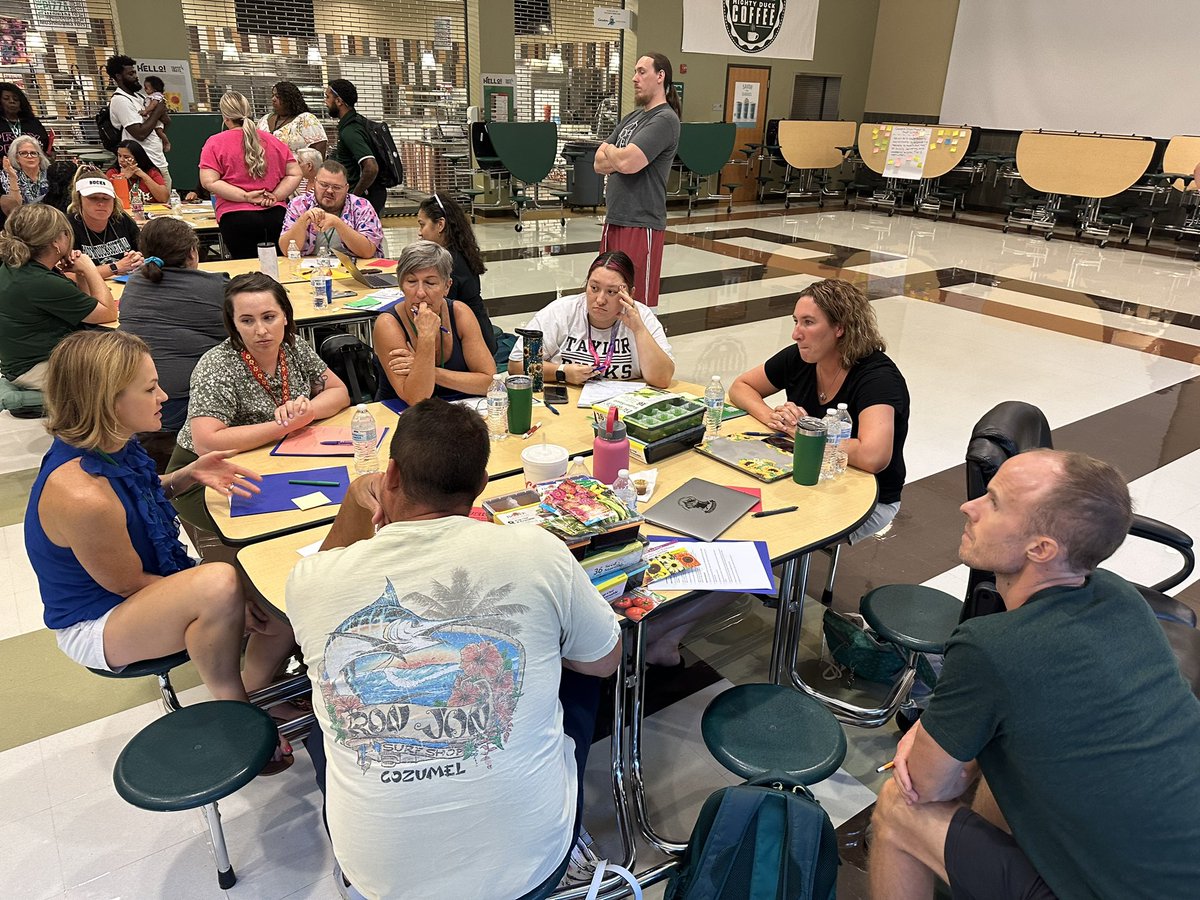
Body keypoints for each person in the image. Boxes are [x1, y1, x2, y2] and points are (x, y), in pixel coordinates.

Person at [286, 397, 621, 899]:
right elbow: (605, 660)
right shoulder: (537, 549)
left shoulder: (310, 579)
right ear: (481, 488)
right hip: (533, 868)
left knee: (323, 719)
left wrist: (357, 499)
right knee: (575, 667)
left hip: (381, 880)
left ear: (391, 473)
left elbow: (330, 580)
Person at [868, 449, 1200, 900]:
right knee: (1007, 758)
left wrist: (931, 737)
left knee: (896, 807)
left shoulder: (992, 646)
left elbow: (926, 785)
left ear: (1040, 549)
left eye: (994, 502)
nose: (969, 506)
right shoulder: (1120, 596)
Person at [26, 330, 297, 774]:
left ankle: (256, 690)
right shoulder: (81, 496)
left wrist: (188, 473)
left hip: (139, 593)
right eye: (150, 388)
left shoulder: (109, 445)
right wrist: (233, 605)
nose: (164, 395)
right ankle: (236, 712)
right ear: (108, 400)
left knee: (273, 586)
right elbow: (127, 584)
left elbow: (138, 499)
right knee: (220, 583)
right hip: (98, 620)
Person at [730, 278, 909, 543]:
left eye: (808, 322)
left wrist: (803, 433)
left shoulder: (877, 378)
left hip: (868, 499)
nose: (796, 333)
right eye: (796, 321)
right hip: (811, 474)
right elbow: (740, 387)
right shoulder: (803, 356)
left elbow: (874, 456)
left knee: (771, 532)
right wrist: (774, 418)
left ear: (840, 327)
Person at [167, 272, 350, 529]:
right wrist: (285, 426)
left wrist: (307, 411)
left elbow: (338, 391)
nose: (261, 330)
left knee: (335, 504)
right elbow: (206, 443)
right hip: (206, 477)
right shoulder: (217, 364)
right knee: (293, 522)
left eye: (269, 317)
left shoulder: (293, 345)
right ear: (233, 324)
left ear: (285, 316)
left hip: (272, 457)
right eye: (247, 320)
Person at [117, 216, 229, 432]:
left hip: (132, 404)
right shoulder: (216, 288)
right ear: (192, 253)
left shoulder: (134, 284)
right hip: (187, 404)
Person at [508, 250, 675, 388]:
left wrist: (639, 330)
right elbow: (516, 365)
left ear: (629, 294)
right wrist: (562, 372)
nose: (600, 299)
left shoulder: (642, 317)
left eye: (611, 292)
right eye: (594, 288)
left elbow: (662, 379)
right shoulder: (561, 312)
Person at [593, 53, 681, 309]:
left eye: (642, 72)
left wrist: (611, 151)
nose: (634, 78)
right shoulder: (633, 118)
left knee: (635, 303)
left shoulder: (664, 120)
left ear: (660, 76)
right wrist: (616, 155)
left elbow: (627, 163)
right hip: (615, 219)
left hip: (641, 224)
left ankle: (638, 349)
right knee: (606, 295)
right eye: (635, 72)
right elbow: (598, 163)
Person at [0, 204, 116, 389]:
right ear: (56, 242)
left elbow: (86, 313)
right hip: (35, 368)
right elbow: (108, 313)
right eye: (65, 233)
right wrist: (89, 268)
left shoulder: (19, 266)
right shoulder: (40, 281)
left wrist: (81, 274)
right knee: (123, 368)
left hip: (22, 361)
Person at [372, 240, 495, 405]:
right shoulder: (388, 324)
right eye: (411, 282)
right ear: (401, 285)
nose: (420, 293)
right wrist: (426, 336)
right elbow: (416, 397)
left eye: (430, 283)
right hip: (401, 414)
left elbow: (490, 384)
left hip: (459, 410)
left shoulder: (460, 313)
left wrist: (430, 371)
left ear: (447, 286)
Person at [198, 91, 300, 259]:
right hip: (276, 215)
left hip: (236, 217)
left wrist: (246, 196)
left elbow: (209, 181)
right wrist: (275, 195)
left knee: (247, 272)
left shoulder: (215, 142)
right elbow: (295, 173)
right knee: (281, 267)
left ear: (225, 117)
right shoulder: (273, 140)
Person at [417, 193, 495, 354]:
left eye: (422, 225)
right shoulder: (459, 251)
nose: (420, 232)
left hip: (472, 343)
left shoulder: (448, 263)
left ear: (440, 225)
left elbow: (437, 309)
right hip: (480, 333)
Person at [277, 159, 381, 258]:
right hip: (309, 272)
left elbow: (368, 251)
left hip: (354, 270)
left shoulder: (362, 206)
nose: (330, 191)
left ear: (346, 188)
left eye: (336, 187)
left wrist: (337, 223)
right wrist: (303, 221)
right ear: (315, 183)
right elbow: (286, 250)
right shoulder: (299, 204)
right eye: (324, 185)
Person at [105, 56, 172, 191]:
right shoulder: (120, 100)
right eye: (130, 74)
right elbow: (139, 133)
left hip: (157, 159)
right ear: (118, 77)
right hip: (141, 164)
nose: (136, 77)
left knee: (166, 204)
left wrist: (161, 111)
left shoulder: (141, 97)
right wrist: (157, 111)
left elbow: (165, 121)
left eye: (135, 73)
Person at [324, 79, 384, 214]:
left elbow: (371, 167)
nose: (325, 102)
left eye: (328, 97)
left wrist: (354, 197)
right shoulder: (354, 123)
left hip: (365, 200)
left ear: (339, 101)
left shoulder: (351, 130)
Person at [68, 175, 143, 279]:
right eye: (93, 198)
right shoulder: (67, 227)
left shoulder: (122, 219)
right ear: (79, 200)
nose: (100, 203)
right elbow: (66, 276)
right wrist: (115, 267)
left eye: (106, 198)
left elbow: (144, 253)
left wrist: (138, 259)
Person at [258, 80, 328, 158]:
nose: (273, 99)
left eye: (278, 96)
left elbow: (319, 149)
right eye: (273, 95)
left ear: (289, 99)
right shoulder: (264, 120)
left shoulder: (306, 119)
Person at [106, 139, 168, 204]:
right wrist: (122, 179)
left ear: (137, 158)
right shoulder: (113, 172)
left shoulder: (151, 172)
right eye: (119, 155)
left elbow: (163, 198)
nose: (121, 160)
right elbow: (108, 199)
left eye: (126, 157)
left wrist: (143, 176)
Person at [0, 134, 50, 216]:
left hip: (51, 218)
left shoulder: (51, 173)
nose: (29, 156)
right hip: (22, 220)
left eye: (33, 153)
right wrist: (13, 178)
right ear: (16, 158)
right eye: (23, 153)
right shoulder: (7, 174)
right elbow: (14, 208)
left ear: (39, 156)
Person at [0, 81, 49, 160]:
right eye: (6, 98)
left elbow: (47, 148)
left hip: (34, 170)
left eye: (16, 99)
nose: (12, 101)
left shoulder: (33, 123)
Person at [139, 75, 171, 156]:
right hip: (152, 118)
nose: (145, 89)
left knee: (159, 131)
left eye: (147, 88)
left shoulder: (157, 96)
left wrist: (146, 111)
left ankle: (166, 142)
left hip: (158, 120)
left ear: (154, 88)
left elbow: (153, 104)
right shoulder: (150, 96)